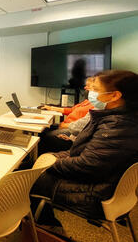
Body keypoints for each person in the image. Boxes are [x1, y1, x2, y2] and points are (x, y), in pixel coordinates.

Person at [31, 70, 138, 226]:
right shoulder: (116, 118)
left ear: (115, 95)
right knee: (35, 165)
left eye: (96, 90)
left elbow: (86, 165)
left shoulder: (116, 125)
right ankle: (43, 222)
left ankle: (43, 226)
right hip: (102, 183)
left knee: (25, 177)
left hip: (95, 193)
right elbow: (81, 152)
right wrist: (55, 158)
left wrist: (49, 164)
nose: (90, 92)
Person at [37, 77, 95, 155]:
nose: (85, 87)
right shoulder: (87, 101)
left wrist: (65, 125)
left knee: (45, 136)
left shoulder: (94, 106)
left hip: (70, 129)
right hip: (66, 125)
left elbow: (82, 126)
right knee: (44, 129)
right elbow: (71, 110)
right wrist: (51, 108)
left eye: (88, 86)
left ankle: (39, 158)